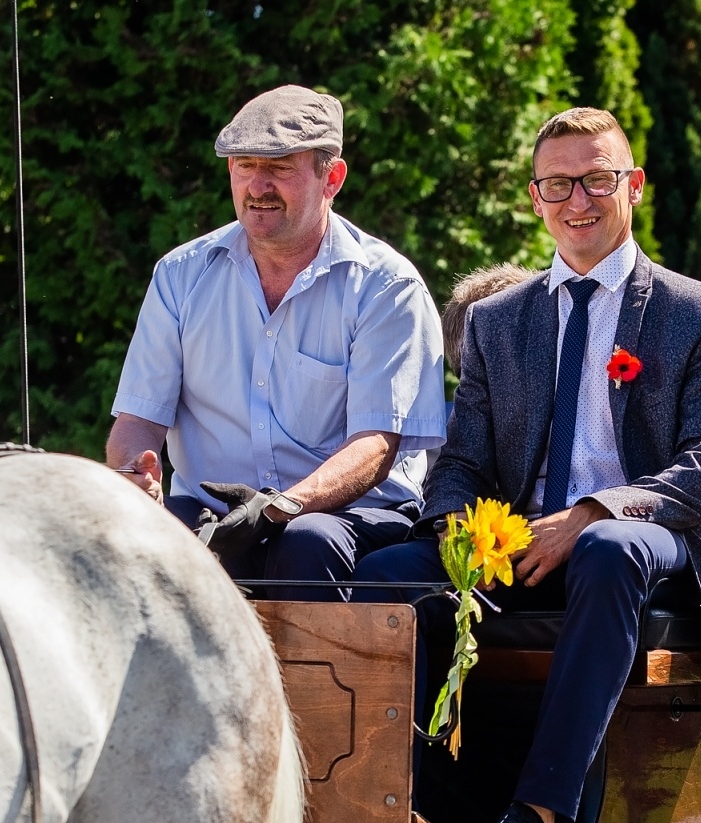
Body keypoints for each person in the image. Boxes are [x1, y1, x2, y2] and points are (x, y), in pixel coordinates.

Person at [354, 107, 701, 823]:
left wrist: (595, 512)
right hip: (519, 539)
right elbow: (461, 461)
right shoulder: (495, 321)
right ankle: (399, 807)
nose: (577, 199)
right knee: (379, 581)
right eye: (558, 184)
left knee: (608, 550)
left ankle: (537, 818)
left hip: (660, 539)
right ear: (535, 197)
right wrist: (463, 536)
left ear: (634, 187)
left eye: (596, 179)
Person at [106, 85, 446, 599]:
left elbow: (377, 446)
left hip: (351, 514)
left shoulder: (386, 287)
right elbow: (138, 419)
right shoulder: (180, 275)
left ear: (332, 178)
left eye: (281, 167)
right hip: (212, 512)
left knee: (304, 542)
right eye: (244, 164)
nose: (258, 185)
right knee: (138, 539)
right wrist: (136, 471)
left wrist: (279, 507)